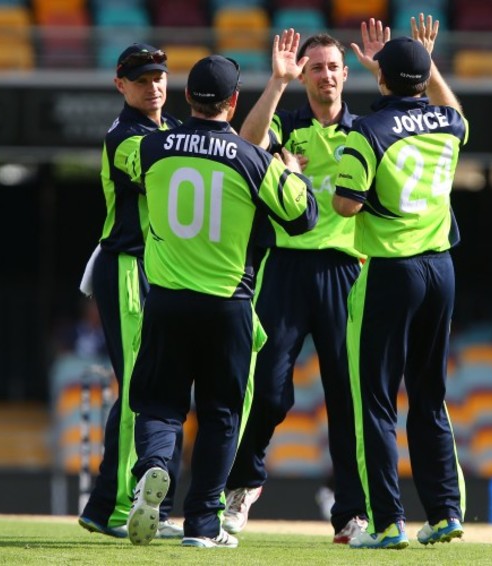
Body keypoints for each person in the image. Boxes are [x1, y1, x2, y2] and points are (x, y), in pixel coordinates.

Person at [122, 54, 318, 549]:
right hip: (227, 304)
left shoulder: (153, 147)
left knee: (160, 405)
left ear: (187, 97)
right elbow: (304, 217)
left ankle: (152, 469)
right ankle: (203, 525)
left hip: (167, 299)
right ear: (234, 103)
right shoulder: (252, 160)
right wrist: (292, 171)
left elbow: (126, 169)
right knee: (220, 414)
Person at [222, 21, 389, 544]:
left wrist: (386, 74)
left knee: (346, 398)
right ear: (305, 76)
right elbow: (246, 142)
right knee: (269, 390)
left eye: (334, 68)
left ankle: (351, 515)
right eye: (315, 68)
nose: (326, 77)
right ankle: (244, 484)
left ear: (345, 74)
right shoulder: (288, 125)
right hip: (287, 269)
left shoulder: (365, 131)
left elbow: (408, 126)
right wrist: (276, 82)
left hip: (345, 269)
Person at [332, 14, 468, 549]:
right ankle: (446, 513)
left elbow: (345, 205)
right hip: (441, 269)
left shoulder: (366, 132)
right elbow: (452, 108)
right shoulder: (449, 126)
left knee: (375, 402)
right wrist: (423, 67)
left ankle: (387, 524)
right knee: (430, 397)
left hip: (390, 269)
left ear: (381, 80)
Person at [78, 43, 183, 540]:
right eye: (142, 79)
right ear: (120, 85)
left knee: (146, 390)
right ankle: (120, 508)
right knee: (141, 390)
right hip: (127, 267)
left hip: (157, 270)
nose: (154, 85)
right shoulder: (125, 136)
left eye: (159, 76)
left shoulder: (170, 132)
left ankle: (107, 505)